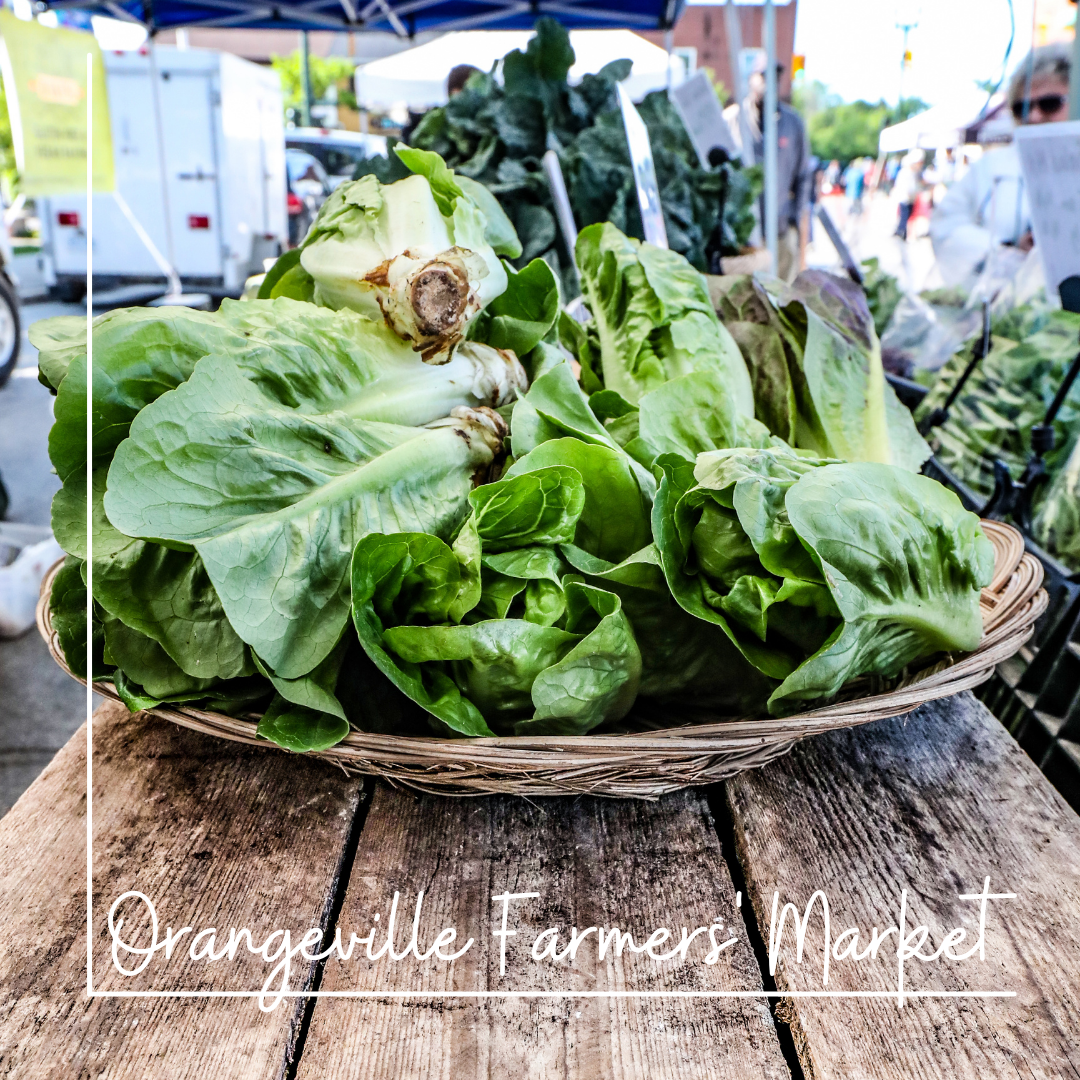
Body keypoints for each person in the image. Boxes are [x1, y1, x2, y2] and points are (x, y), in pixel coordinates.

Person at [930, 42, 1071, 286]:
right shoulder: (991, 166)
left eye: (1050, 103)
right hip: (1006, 309)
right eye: (1022, 107)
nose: (1033, 116)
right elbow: (945, 227)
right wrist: (1006, 249)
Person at [723, 57, 812, 282]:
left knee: (781, 299)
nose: (769, 83)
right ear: (751, 78)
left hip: (780, 231)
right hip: (741, 237)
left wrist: (793, 216)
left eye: (775, 77)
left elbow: (803, 175)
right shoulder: (733, 119)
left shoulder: (793, 123)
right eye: (763, 76)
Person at [893, 150, 923, 239]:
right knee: (904, 216)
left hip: (909, 198)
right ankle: (902, 232)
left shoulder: (911, 173)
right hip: (905, 197)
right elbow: (909, 187)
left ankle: (902, 231)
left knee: (905, 216)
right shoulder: (906, 172)